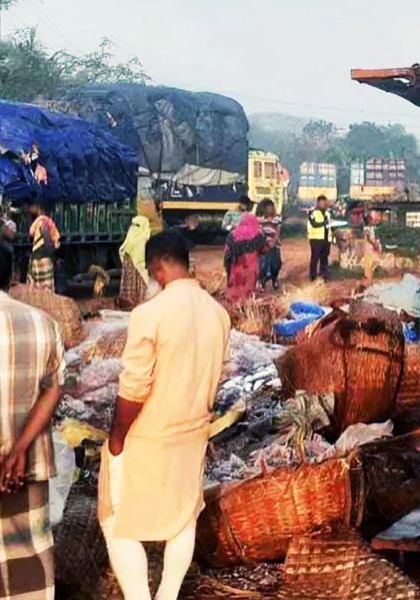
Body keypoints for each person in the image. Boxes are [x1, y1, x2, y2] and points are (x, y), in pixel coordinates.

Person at [99, 231, 230, 600]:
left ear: (157, 268)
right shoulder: (217, 314)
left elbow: (133, 388)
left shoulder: (149, 314)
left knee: (118, 522)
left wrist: (117, 437)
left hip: (147, 437)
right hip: (192, 435)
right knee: (181, 520)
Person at [0, 244, 65, 600]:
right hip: (26, 465)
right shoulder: (44, 323)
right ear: (12, 276)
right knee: (28, 549)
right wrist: (17, 450)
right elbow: (53, 390)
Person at [224, 212, 265, 303]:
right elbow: (263, 250)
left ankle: (234, 307)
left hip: (236, 267)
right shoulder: (258, 236)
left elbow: (227, 254)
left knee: (235, 287)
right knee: (248, 288)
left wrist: (227, 268)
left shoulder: (231, 235)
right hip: (251, 267)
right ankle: (246, 306)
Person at [118, 216, 153, 309]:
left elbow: (122, 253)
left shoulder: (129, 240)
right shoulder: (142, 240)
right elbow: (141, 261)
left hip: (131, 272)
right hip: (140, 271)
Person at [28, 202, 60, 291]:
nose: (29, 208)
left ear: (38, 207)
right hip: (44, 256)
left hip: (40, 256)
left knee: (38, 287)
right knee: (46, 287)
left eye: (32, 206)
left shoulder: (42, 222)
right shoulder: (47, 222)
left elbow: (47, 241)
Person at [223, 196, 253, 283]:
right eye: (244, 204)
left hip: (244, 242)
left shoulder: (248, 215)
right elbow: (224, 227)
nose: (245, 206)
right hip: (232, 241)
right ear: (240, 204)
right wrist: (232, 226)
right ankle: (229, 280)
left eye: (246, 205)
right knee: (229, 261)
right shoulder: (230, 214)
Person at [256, 199, 283, 290]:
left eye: (271, 208)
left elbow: (277, 232)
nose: (270, 210)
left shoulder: (277, 218)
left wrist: (274, 242)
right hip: (264, 246)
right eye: (268, 208)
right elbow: (259, 232)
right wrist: (265, 243)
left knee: (276, 265)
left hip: (274, 245)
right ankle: (262, 283)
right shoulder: (259, 219)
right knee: (263, 265)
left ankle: (274, 279)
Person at [308, 195, 332, 281]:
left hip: (326, 239)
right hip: (316, 239)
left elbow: (329, 226)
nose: (323, 204)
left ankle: (323, 275)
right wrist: (324, 223)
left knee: (324, 258)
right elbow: (314, 224)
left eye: (325, 203)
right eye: (322, 203)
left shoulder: (328, 213)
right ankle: (313, 276)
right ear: (318, 203)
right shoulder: (312, 212)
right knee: (315, 258)